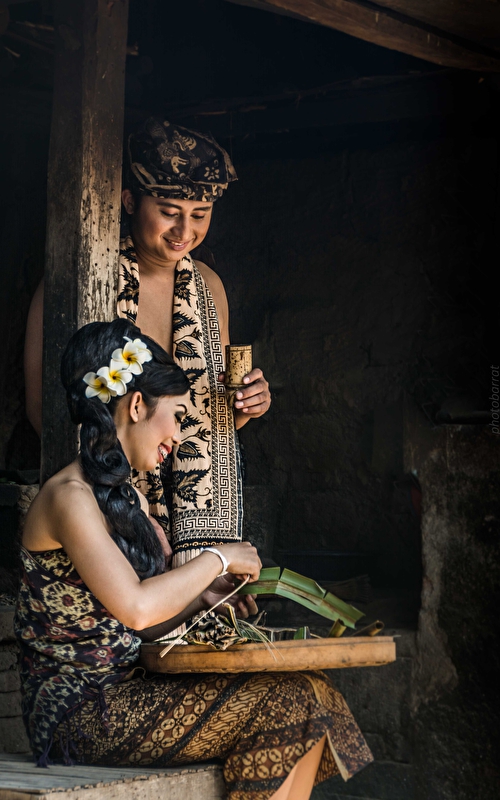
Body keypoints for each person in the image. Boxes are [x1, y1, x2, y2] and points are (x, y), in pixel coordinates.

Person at [15, 319, 373, 799]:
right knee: (290, 701)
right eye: (178, 416)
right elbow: (137, 608)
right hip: (77, 714)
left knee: (313, 691)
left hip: (122, 694)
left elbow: (138, 624)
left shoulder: (127, 499)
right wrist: (217, 558)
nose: (180, 435)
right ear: (136, 405)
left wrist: (202, 598)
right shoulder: (69, 497)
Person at [24, 118, 271, 570]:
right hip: (104, 504)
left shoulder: (209, 289)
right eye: (170, 211)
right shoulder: (82, 279)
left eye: (200, 215)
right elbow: (46, 413)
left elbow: (201, 421)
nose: (185, 230)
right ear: (129, 201)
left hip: (192, 514)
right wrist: (125, 501)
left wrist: (244, 408)